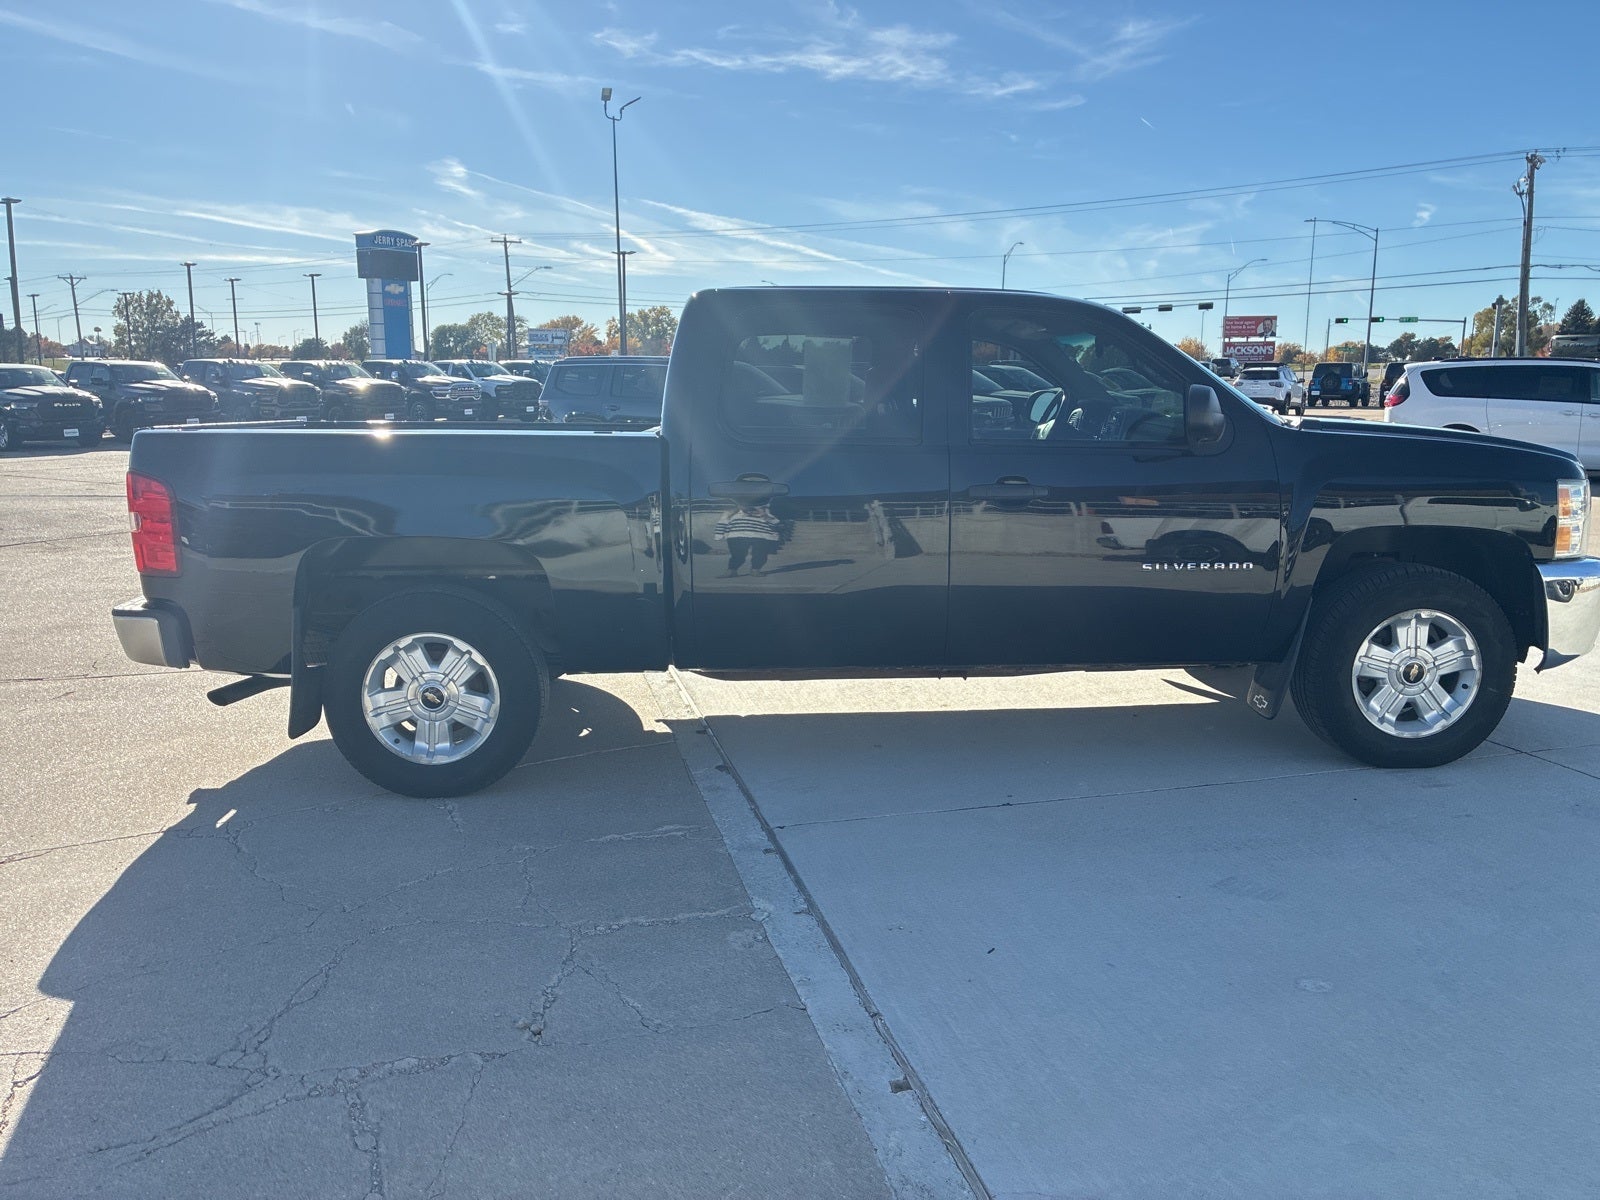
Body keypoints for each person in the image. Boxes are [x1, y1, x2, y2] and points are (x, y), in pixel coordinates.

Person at [713, 502, 783, 576]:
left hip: (760, 535)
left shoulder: (765, 513)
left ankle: (755, 569)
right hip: (737, 535)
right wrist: (719, 535)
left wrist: (764, 514)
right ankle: (732, 570)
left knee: (760, 554)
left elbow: (776, 523)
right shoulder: (730, 513)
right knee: (737, 554)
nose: (749, 508)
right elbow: (722, 523)